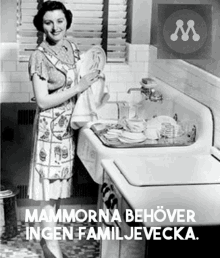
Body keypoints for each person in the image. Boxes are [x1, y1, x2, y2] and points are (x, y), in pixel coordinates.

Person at [28, 1, 100, 258]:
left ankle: (44, 236)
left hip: (66, 131)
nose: (55, 27)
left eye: (60, 21)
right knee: (48, 193)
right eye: (48, 22)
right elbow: (43, 100)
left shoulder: (73, 47)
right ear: (41, 25)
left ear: (67, 21)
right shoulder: (39, 56)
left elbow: (83, 82)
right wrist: (78, 87)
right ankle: (52, 249)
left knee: (57, 191)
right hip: (49, 133)